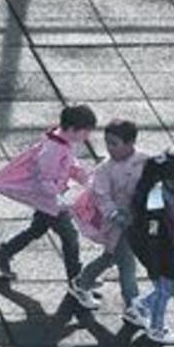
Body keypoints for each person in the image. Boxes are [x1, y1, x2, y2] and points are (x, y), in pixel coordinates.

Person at [0, 104, 98, 309]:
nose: (88, 136)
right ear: (73, 129)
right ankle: (78, 281)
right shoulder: (53, 149)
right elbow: (43, 179)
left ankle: (3, 254)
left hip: (52, 201)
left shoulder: (63, 142)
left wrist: (82, 177)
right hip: (51, 203)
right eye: (86, 131)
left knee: (37, 229)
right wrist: (59, 197)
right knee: (70, 238)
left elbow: (70, 165)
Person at [71, 119, 150, 326]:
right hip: (119, 223)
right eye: (108, 143)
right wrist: (114, 214)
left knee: (109, 257)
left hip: (137, 221)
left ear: (130, 142)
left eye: (114, 143)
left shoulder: (145, 161)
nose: (109, 148)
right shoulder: (105, 169)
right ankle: (132, 306)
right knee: (127, 265)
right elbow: (101, 196)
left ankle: (82, 283)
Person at [128, 152, 174, 345]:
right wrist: (159, 265)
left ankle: (140, 306)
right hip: (159, 251)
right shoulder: (155, 201)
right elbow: (153, 235)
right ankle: (156, 328)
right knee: (165, 288)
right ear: (169, 181)